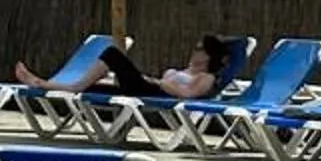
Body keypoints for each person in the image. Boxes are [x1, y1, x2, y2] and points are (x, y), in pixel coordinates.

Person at [16, 34, 234, 103]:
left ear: (208, 55)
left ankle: (66, 86)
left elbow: (188, 95)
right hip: (147, 87)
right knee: (93, 88)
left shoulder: (206, 77)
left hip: (154, 91)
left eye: (199, 49)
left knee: (112, 54)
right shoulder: (188, 71)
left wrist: (163, 83)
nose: (194, 51)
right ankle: (41, 83)